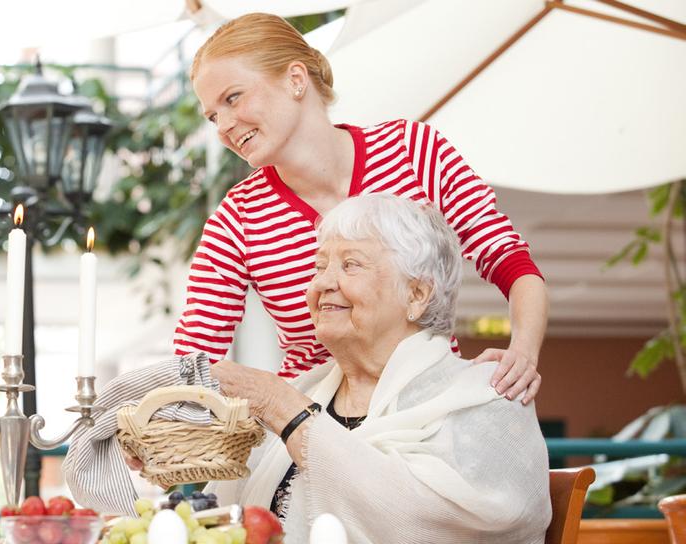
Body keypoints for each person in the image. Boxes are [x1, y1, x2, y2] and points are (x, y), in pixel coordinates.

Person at [173, 13, 548, 403]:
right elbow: (193, 355)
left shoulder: (413, 151)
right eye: (213, 115)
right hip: (315, 433)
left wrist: (522, 351)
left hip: (429, 410)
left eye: (233, 98)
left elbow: (509, 259)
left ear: (296, 80)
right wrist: (164, 419)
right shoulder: (237, 219)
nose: (223, 126)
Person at [206, 194, 550, 542]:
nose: (323, 283)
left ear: (416, 294)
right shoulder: (305, 389)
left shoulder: (489, 396)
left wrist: (286, 409)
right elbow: (218, 517)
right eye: (319, 266)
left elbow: (424, 526)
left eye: (350, 264)